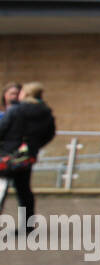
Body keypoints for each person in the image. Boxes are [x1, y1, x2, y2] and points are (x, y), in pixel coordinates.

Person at [0, 82, 57, 229]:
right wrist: (33, 147)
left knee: (1, 188)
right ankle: (28, 225)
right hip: (26, 157)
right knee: (24, 191)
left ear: (25, 94)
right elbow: (49, 134)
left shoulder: (15, 110)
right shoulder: (45, 113)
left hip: (7, 154)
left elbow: (2, 129)